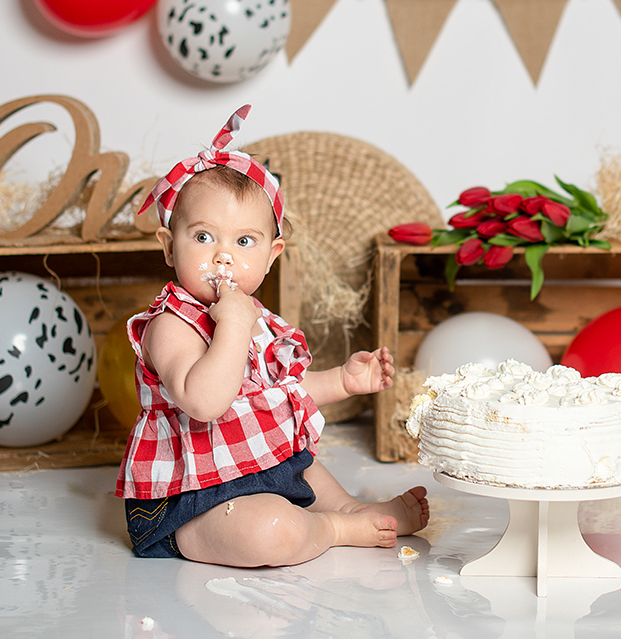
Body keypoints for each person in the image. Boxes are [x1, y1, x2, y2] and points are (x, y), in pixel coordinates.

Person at [117, 105, 428, 565]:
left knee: (302, 459)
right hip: (191, 497)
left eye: (244, 242)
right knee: (272, 532)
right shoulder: (170, 324)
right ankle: (334, 526)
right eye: (204, 238)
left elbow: (278, 395)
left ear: (271, 256)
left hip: (262, 468)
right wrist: (235, 325)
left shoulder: (252, 316)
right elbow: (204, 402)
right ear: (168, 246)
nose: (223, 257)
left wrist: (343, 380)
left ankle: (350, 507)